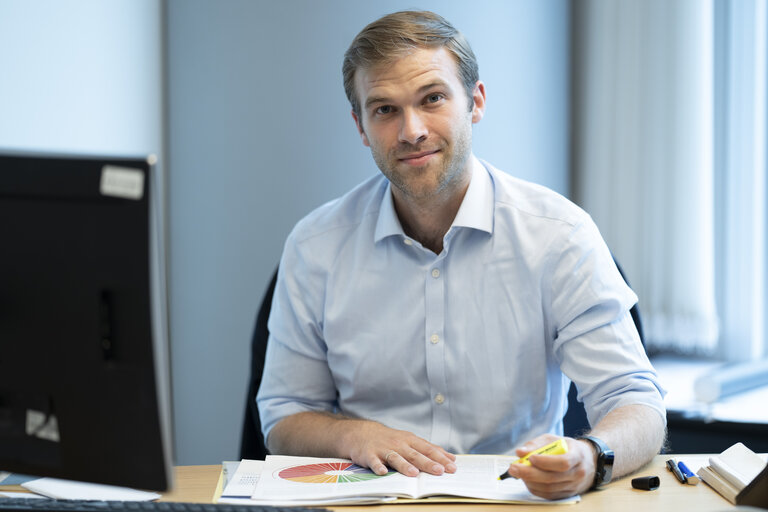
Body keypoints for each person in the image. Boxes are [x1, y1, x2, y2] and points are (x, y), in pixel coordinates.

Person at [256, 10, 666, 500]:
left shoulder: (559, 236)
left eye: (432, 99)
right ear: (361, 127)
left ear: (476, 101)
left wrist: (592, 456)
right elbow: (283, 416)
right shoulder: (315, 245)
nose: (411, 131)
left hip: (516, 500)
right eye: (384, 110)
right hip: (369, 500)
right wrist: (353, 434)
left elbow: (636, 402)